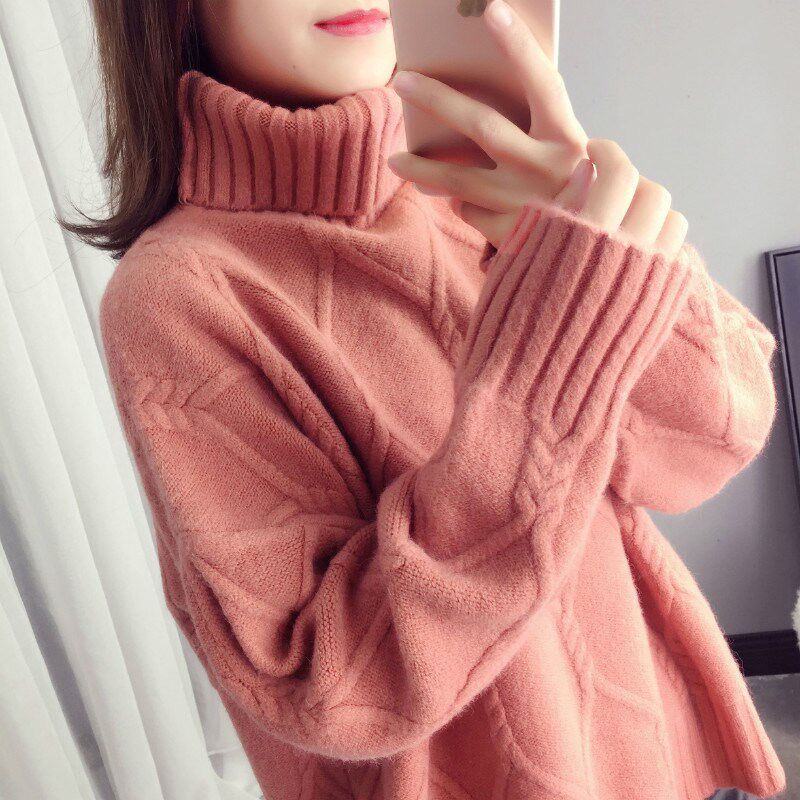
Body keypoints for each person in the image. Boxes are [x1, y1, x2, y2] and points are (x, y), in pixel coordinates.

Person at [62, 0, 787, 798]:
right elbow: (329, 687)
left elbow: (721, 434)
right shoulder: (179, 295)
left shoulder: (486, 179)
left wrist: (602, 250)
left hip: (661, 756)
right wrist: (550, 350)